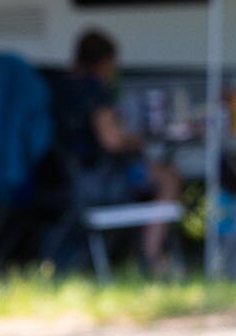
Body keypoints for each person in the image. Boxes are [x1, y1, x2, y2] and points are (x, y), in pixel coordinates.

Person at [53, 29, 181, 273]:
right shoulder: (95, 91)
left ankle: (143, 252)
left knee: (155, 174)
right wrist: (137, 141)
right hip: (100, 179)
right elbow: (111, 141)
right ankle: (151, 256)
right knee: (169, 177)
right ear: (105, 62)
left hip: (68, 177)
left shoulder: (61, 87)